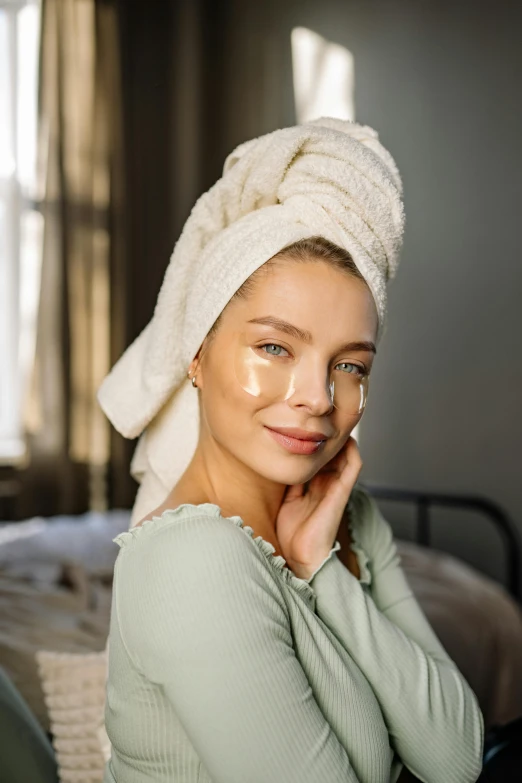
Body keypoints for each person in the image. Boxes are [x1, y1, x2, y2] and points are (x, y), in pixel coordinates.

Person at [98, 118, 484, 782]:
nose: (318, 397)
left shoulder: (347, 518)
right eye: (274, 346)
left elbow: (457, 758)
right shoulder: (193, 560)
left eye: (351, 365)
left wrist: (321, 569)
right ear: (197, 354)